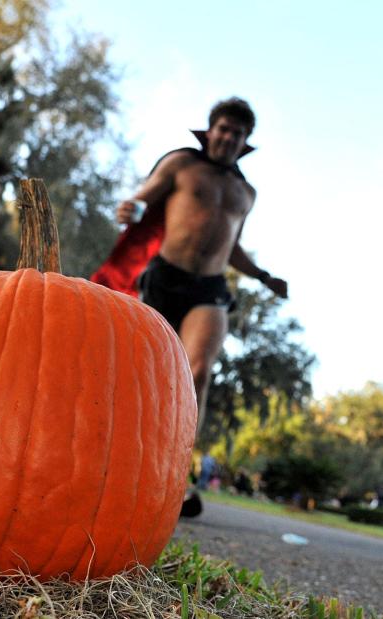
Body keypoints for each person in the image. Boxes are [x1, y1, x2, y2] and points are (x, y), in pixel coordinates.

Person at [92, 97, 287, 516]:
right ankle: (117, 462)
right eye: (223, 128)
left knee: (197, 372)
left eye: (238, 132)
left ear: (245, 141)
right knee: (143, 371)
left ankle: (173, 479)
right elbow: (145, 199)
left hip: (210, 287)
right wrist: (133, 209)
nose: (229, 137)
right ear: (210, 130)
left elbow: (232, 245)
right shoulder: (182, 164)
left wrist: (263, 276)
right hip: (165, 276)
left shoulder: (245, 191)